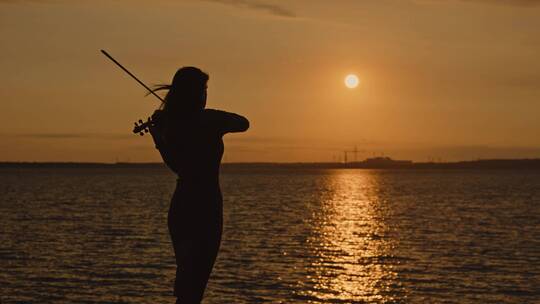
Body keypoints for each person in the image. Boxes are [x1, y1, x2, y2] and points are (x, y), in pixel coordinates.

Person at [148, 67, 249, 304]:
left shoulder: (178, 123)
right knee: (194, 285)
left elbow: (177, 166)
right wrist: (208, 117)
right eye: (203, 90)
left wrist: (161, 140)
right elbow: (243, 123)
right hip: (206, 209)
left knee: (188, 284)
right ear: (195, 93)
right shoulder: (208, 121)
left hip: (182, 206)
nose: (206, 95)